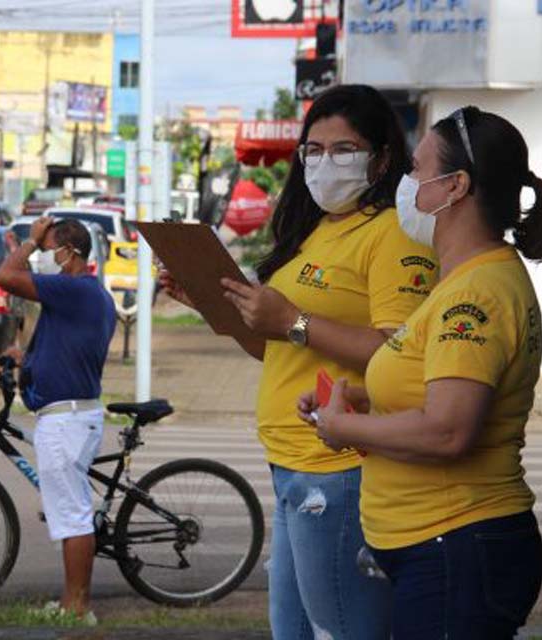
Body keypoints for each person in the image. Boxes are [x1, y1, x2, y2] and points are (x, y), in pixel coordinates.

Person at [160, 84, 438, 640]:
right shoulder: (310, 231)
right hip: (289, 460)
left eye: (343, 150)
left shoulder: (393, 235)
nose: (324, 163)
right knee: (292, 630)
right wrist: (223, 309)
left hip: (340, 463)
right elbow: (275, 344)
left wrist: (294, 321)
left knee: (341, 630)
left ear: (382, 157)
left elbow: (400, 353)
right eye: (314, 150)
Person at [308, 106, 542, 639]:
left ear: (455, 186)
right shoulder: (464, 280)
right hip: (443, 547)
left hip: (457, 546)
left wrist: (344, 428)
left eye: (417, 170)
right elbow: (432, 391)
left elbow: (448, 430)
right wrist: (357, 400)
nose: (406, 184)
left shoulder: (475, 293)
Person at [0, 216, 116, 622]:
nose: (42, 257)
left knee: (73, 516)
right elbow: (67, 347)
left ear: (68, 254)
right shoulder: (85, 295)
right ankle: (70, 602)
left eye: (47, 249)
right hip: (70, 415)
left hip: (67, 421)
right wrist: (25, 359)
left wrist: (28, 243)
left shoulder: (73, 288)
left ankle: (78, 608)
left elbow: (5, 276)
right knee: (70, 513)